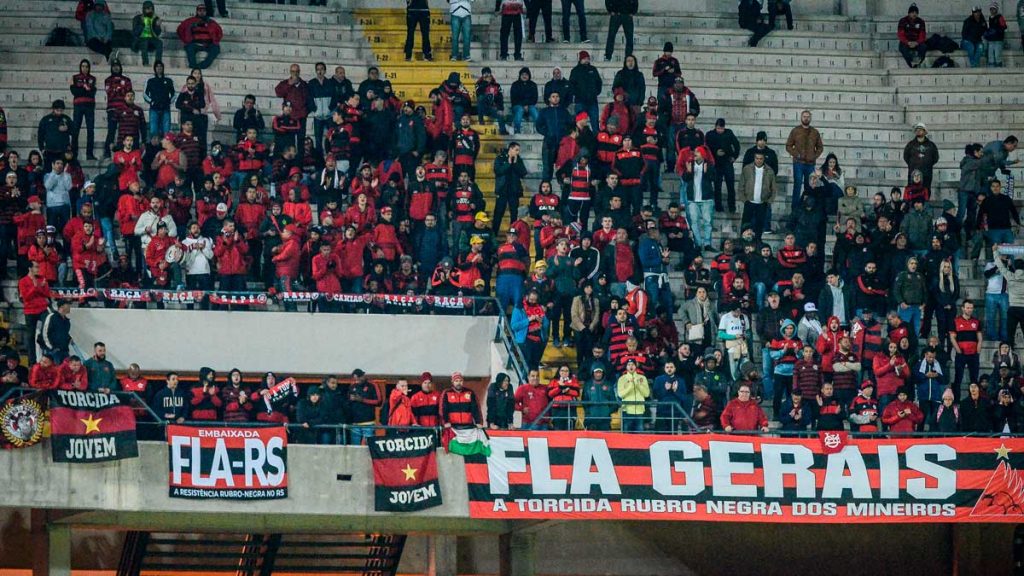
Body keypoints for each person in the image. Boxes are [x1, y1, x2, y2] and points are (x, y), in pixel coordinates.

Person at [785, 110, 823, 217]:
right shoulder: (795, 131)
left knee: (810, 187)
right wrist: (796, 154)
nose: (806, 118)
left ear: (810, 118)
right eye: (804, 116)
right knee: (797, 186)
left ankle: (808, 208)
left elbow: (820, 147)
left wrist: (814, 156)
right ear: (801, 118)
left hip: (810, 164)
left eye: (808, 117)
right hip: (798, 163)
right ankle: (795, 210)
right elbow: (788, 145)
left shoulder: (815, 132)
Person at [738, 151, 775, 240]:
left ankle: (758, 244)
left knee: (759, 227)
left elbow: (773, 188)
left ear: (764, 159)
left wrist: (769, 201)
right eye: (757, 158)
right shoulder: (747, 169)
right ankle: (743, 245)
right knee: (745, 226)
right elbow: (741, 186)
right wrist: (744, 200)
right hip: (749, 202)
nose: (758, 160)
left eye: (761, 159)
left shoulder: (769, 171)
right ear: (754, 158)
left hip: (762, 203)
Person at [705, 118, 740, 213]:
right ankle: (718, 207)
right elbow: (706, 148)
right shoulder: (710, 135)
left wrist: (734, 156)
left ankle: (732, 207)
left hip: (727, 162)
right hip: (716, 164)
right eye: (718, 128)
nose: (720, 130)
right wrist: (715, 153)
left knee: (730, 186)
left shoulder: (729, 133)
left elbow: (737, 145)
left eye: (722, 128)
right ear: (715, 127)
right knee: (717, 186)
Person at [950, 300, 983, 400]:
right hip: (961, 354)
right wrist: (959, 351)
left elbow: (980, 338)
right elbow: (952, 338)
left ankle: (973, 400)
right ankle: (956, 401)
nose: (969, 310)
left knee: (974, 379)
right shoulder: (956, 321)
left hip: (973, 355)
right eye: (967, 307)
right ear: (963, 308)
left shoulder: (976, 322)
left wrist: (977, 351)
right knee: (958, 378)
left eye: (971, 308)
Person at [177, 4, 223, 70]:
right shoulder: (189, 21)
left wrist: (215, 40)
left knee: (216, 49)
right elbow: (180, 30)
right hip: (194, 44)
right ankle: (193, 66)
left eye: (204, 11)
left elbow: (220, 32)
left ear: (206, 12)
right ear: (197, 11)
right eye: (200, 10)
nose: (202, 12)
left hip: (208, 44)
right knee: (189, 48)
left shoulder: (212, 22)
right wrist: (186, 40)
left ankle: (199, 67)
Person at [348, 369, 381, 445]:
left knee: (369, 446)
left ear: (363, 376)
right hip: (355, 422)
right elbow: (348, 402)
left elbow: (378, 401)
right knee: (355, 447)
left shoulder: (372, 385)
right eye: (355, 379)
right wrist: (351, 400)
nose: (357, 381)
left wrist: (362, 400)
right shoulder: (352, 387)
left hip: (368, 422)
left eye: (358, 378)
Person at [616, 358, 650, 432]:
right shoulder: (622, 379)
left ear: (636, 366)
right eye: (628, 365)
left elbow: (646, 394)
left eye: (633, 365)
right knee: (627, 436)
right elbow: (621, 394)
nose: (631, 366)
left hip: (640, 411)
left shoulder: (642, 378)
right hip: (627, 411)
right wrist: (631, 386)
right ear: (626, 366)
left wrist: (638, 384)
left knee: (640, 437)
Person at [903, 122, 939, 189]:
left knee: (926, 192)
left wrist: (927, 164)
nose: (918, 131)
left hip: (926, 174)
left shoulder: (931, 145)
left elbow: (935, 158)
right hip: (913, 174)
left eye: (920, 129)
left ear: (925, 132)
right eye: (917, 129)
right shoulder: (910, 145)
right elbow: (906, 157)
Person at [132, 1, 163, 66]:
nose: (150, 11)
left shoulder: (155, 18)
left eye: (152, 9)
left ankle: (158, 63)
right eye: (148, 9)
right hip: (140, 39)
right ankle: (145, 63)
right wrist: (142, 24)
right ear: (144, 9)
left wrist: (157, 26)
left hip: (151, 38)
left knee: (160, 43)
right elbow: (135, 33)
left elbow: (157, 33)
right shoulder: (137, 18)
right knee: (144, 41)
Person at [897, 3, 928, 68]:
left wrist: (917, 42)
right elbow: (900, 34)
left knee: (924, 46)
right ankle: (911, 62)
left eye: (916, 12)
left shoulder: (921, 21)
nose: (914, 14)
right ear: (909, 13)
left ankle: (919, 61)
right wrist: (907, 42)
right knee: (903, 48)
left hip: (916, 42)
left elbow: (922, 35)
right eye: (912, 12)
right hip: (906, 42)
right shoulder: (903, 21)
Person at [987, 3, 1008, 67]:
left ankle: (999, 67)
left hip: (998, 39)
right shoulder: (990, 18)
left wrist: (996, 30)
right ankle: (991, 67)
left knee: (997, 55)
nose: (992, 10)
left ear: (996, 9)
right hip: (991, 39)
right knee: (990, 55)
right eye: (991, 9)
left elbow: (1004, 26)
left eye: (994, 9)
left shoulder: (1000, 17)